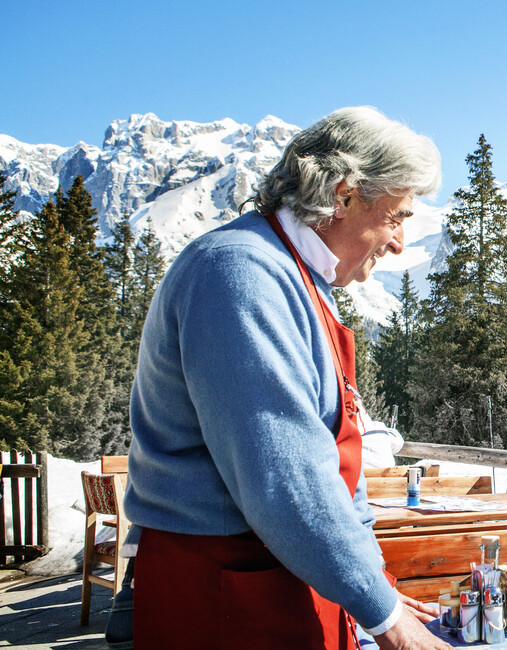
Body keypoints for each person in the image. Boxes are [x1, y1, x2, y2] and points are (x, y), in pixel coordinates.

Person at [123, 107, 450, 650]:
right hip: (226, 593)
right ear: (344, 195)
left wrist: (375, 586)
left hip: (289, 573)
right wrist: (388, 619)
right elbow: (285, 478)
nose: (398, 242)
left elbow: (337, 463)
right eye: (396, 217)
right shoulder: (240, 272)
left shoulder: (299, 275)